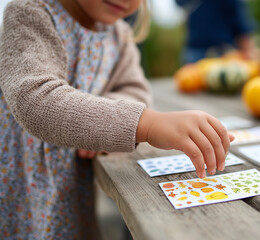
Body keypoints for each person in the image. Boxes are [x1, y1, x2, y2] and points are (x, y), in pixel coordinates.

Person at [0, 0, 234, 239]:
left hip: (71, 192)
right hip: (19, 191)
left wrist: (102, 126)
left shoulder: (118, 33)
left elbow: (134, 90)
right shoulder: (29, 13)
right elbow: (36, 100)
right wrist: (148, 124)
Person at [175, 0, 260, 63]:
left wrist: (249, 49)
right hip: (215, 54)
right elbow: (239, 20)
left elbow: (239, 19)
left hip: (219, 53)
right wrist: (249, 50)